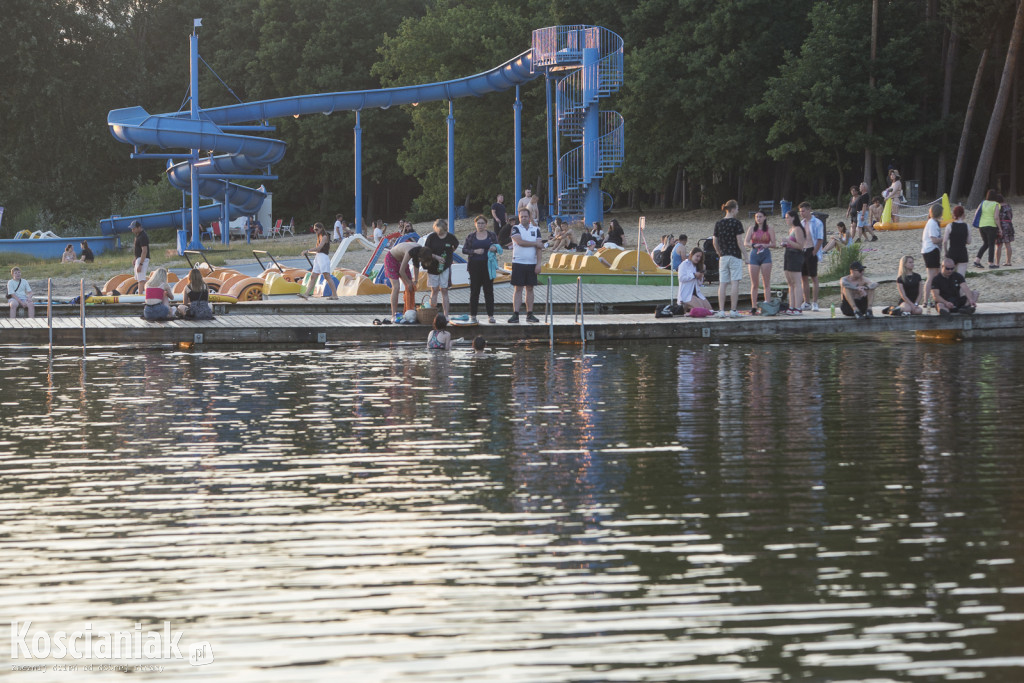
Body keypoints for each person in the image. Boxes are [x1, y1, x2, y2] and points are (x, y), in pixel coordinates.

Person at [385, 241, 436, 322]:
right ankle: (393, 315)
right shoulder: (410, 252)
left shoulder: (420, 250)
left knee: (411, 288)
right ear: (420, 257)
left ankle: (408, 311)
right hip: (391, 259)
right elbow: (401, 271)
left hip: (401, 261)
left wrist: (415, 281)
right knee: (396, 287)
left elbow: (416, 265)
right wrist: (408, 282)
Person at [508, 207, 543, 324]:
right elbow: (520, 242)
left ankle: (530, 314)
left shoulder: (536, 229)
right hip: (518, 262)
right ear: (519, 217)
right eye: (521, 216)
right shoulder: (515, 228)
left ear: (529, 217)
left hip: (532, 263)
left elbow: (539, 248)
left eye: (525, 216)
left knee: (530, 288)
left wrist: (539, 264)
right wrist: (535, 243)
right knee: (518, 288)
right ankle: (516, 314)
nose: (523, 218)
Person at [461, 214, 499, 324]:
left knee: (489, 291)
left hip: (488, 266)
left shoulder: (491, 235)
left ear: (486, 224)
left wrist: (494, 248)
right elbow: (464, 250)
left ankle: (490, 316)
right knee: (474, 291)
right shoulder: (471, 236)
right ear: (475, 224)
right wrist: (475, 251)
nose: (481, 225)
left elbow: (499, 247)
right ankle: (473, 315)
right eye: (479, 223)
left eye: (482, 223)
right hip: (474, 266)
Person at [713, 200, 746, 317]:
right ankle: (733, 310)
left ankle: (721, 310)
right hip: (735, 255)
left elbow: (714, 241)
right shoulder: (736, 223)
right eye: (737, 208)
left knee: (723, 283)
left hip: (723, 256)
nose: (738, 210)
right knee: (735, 282)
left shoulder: (719, 223)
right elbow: (740, 241)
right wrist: (746, 256)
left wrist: (718, 252)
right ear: (732, 209)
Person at [424, 218, 459, 319]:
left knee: (444, 290)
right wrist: (436, 257)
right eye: (438, 230)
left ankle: (446, 315)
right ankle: (432, 315)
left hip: (445, 267)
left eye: (441, 231)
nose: (439, 232)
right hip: (432, 266)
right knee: (434, 289)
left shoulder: (451, 237)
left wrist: (448, 256)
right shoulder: (431, 237)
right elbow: (426, 251)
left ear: (445, 228)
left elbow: (455, 246)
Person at [743, 211, 776, 314]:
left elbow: (774, 243)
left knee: (766, 282)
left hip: (765, 254)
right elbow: (746, 242)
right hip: (754, 254)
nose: (758, 218)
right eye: (757, 217)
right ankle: (754, 306)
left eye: (760, 216)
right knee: (754, 283)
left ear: (765, 217)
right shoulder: (752, 228)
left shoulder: (769, 229)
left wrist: (767, 245)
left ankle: (767, 304)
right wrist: (753, 245)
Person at [798, 201, 824, 311]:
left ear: (809, 210)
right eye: (800, 212)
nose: (802, 213)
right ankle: (806, 301)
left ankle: (815, 302)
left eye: (803, 211)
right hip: (802, 251)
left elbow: (820, 238)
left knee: (813, 276)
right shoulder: (802, 223)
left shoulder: (817, 222)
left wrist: (814, 251)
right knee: (803, 277)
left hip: (811, 250)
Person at [780, 210, 806, 315]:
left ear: (793, 218)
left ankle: (798, 308)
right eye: (785, 217)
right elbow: (791, 244)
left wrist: (788, 241)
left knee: (797, 283)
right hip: (788, 255)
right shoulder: (791, 229)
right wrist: (785, 244)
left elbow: (800, 246)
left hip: (796, 256)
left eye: (787, 217)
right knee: (790, 283)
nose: (786, 219)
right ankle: (791, 306)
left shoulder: (798, 229)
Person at [304, 223, 338, 299]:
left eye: (316, 229)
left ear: (321, 228)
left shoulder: (325, 237)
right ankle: (306, 294)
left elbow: (319, 248)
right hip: (318, 257)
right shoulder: (319, 236)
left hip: (323, 258)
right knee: (313, 276)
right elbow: (318, 250)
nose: (315, 231)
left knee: (327, 276)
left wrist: (308, 250)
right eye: (314, 230)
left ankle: (335, 295)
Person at [921, 203, 943, 306]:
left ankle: (935, 298)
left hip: (930, 251)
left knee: (936, 276)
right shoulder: (933, 223)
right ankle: (926, 300)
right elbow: (934, 239)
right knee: (931, 277)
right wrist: (944, 239)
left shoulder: (932, 222)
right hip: (931, 251)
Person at [974, 189, 1001, 269]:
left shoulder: (983, 202)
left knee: (986, 243)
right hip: (991, 226)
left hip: (982, 225)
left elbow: (976, 213)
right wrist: (1000, 228)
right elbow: (996, 217)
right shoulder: (996, 204)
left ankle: (977, 260)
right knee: (991, 244)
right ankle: (991, 263)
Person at [943, 205, 971, 276]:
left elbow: (945, 241)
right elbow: (969, 241)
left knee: (949, 276)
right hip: (962, 252)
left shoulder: (949, 226)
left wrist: (946, 252)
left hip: (952, 251)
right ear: (963, 214)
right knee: (961, 278)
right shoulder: (967, 226)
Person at [995, 193, 1013, 267]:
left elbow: (996, 217)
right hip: (1009, 225)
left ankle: (997, 263)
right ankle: (1008, 261)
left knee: (999, 245)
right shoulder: (1008, 205)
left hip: (1001, 225)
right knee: (1008, 244)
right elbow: (1011, 215)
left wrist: (999, 228)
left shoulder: (997, 206)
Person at [131, 220, 149, 285]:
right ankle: (152, 287)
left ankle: (140, 294)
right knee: (139, 279)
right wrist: (135, 258)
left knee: (141, 280)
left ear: (139, 227)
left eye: (134, 228)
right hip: (138, 258)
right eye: (132, 229)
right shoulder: (137, 236)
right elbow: (138, 250)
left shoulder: (143, 236)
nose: (132, 230)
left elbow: (144, 251)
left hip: (142, 259)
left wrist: (141, 264)